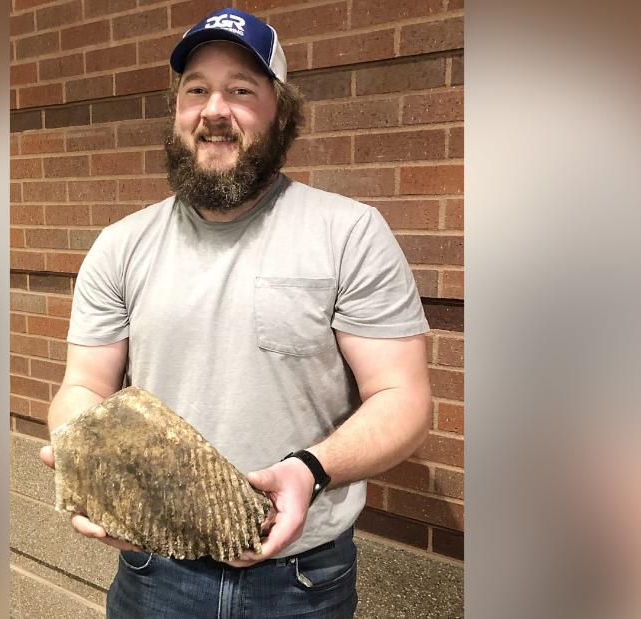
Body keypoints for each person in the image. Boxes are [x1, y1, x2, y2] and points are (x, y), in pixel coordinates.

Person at [38, 7, 433, 617]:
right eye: (196, 90)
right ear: (177, 113)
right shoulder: (120, 246)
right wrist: (82, 456)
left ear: (282, 113)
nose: (213, 109)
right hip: (153, 570)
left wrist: (311, 469)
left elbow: (403, 399)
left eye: (240, 91)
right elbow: (83, 387)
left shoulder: (348, 232)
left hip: (302, 578)